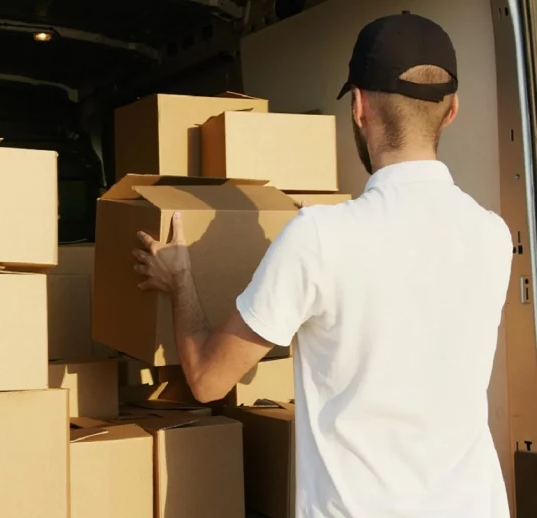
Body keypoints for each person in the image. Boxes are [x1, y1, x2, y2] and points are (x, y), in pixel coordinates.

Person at [132, 12, 512, 518]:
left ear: (358, 106)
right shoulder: (492, 234)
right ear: (452, 110)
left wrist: (180, 278)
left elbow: (207, 379)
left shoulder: (320, 238)